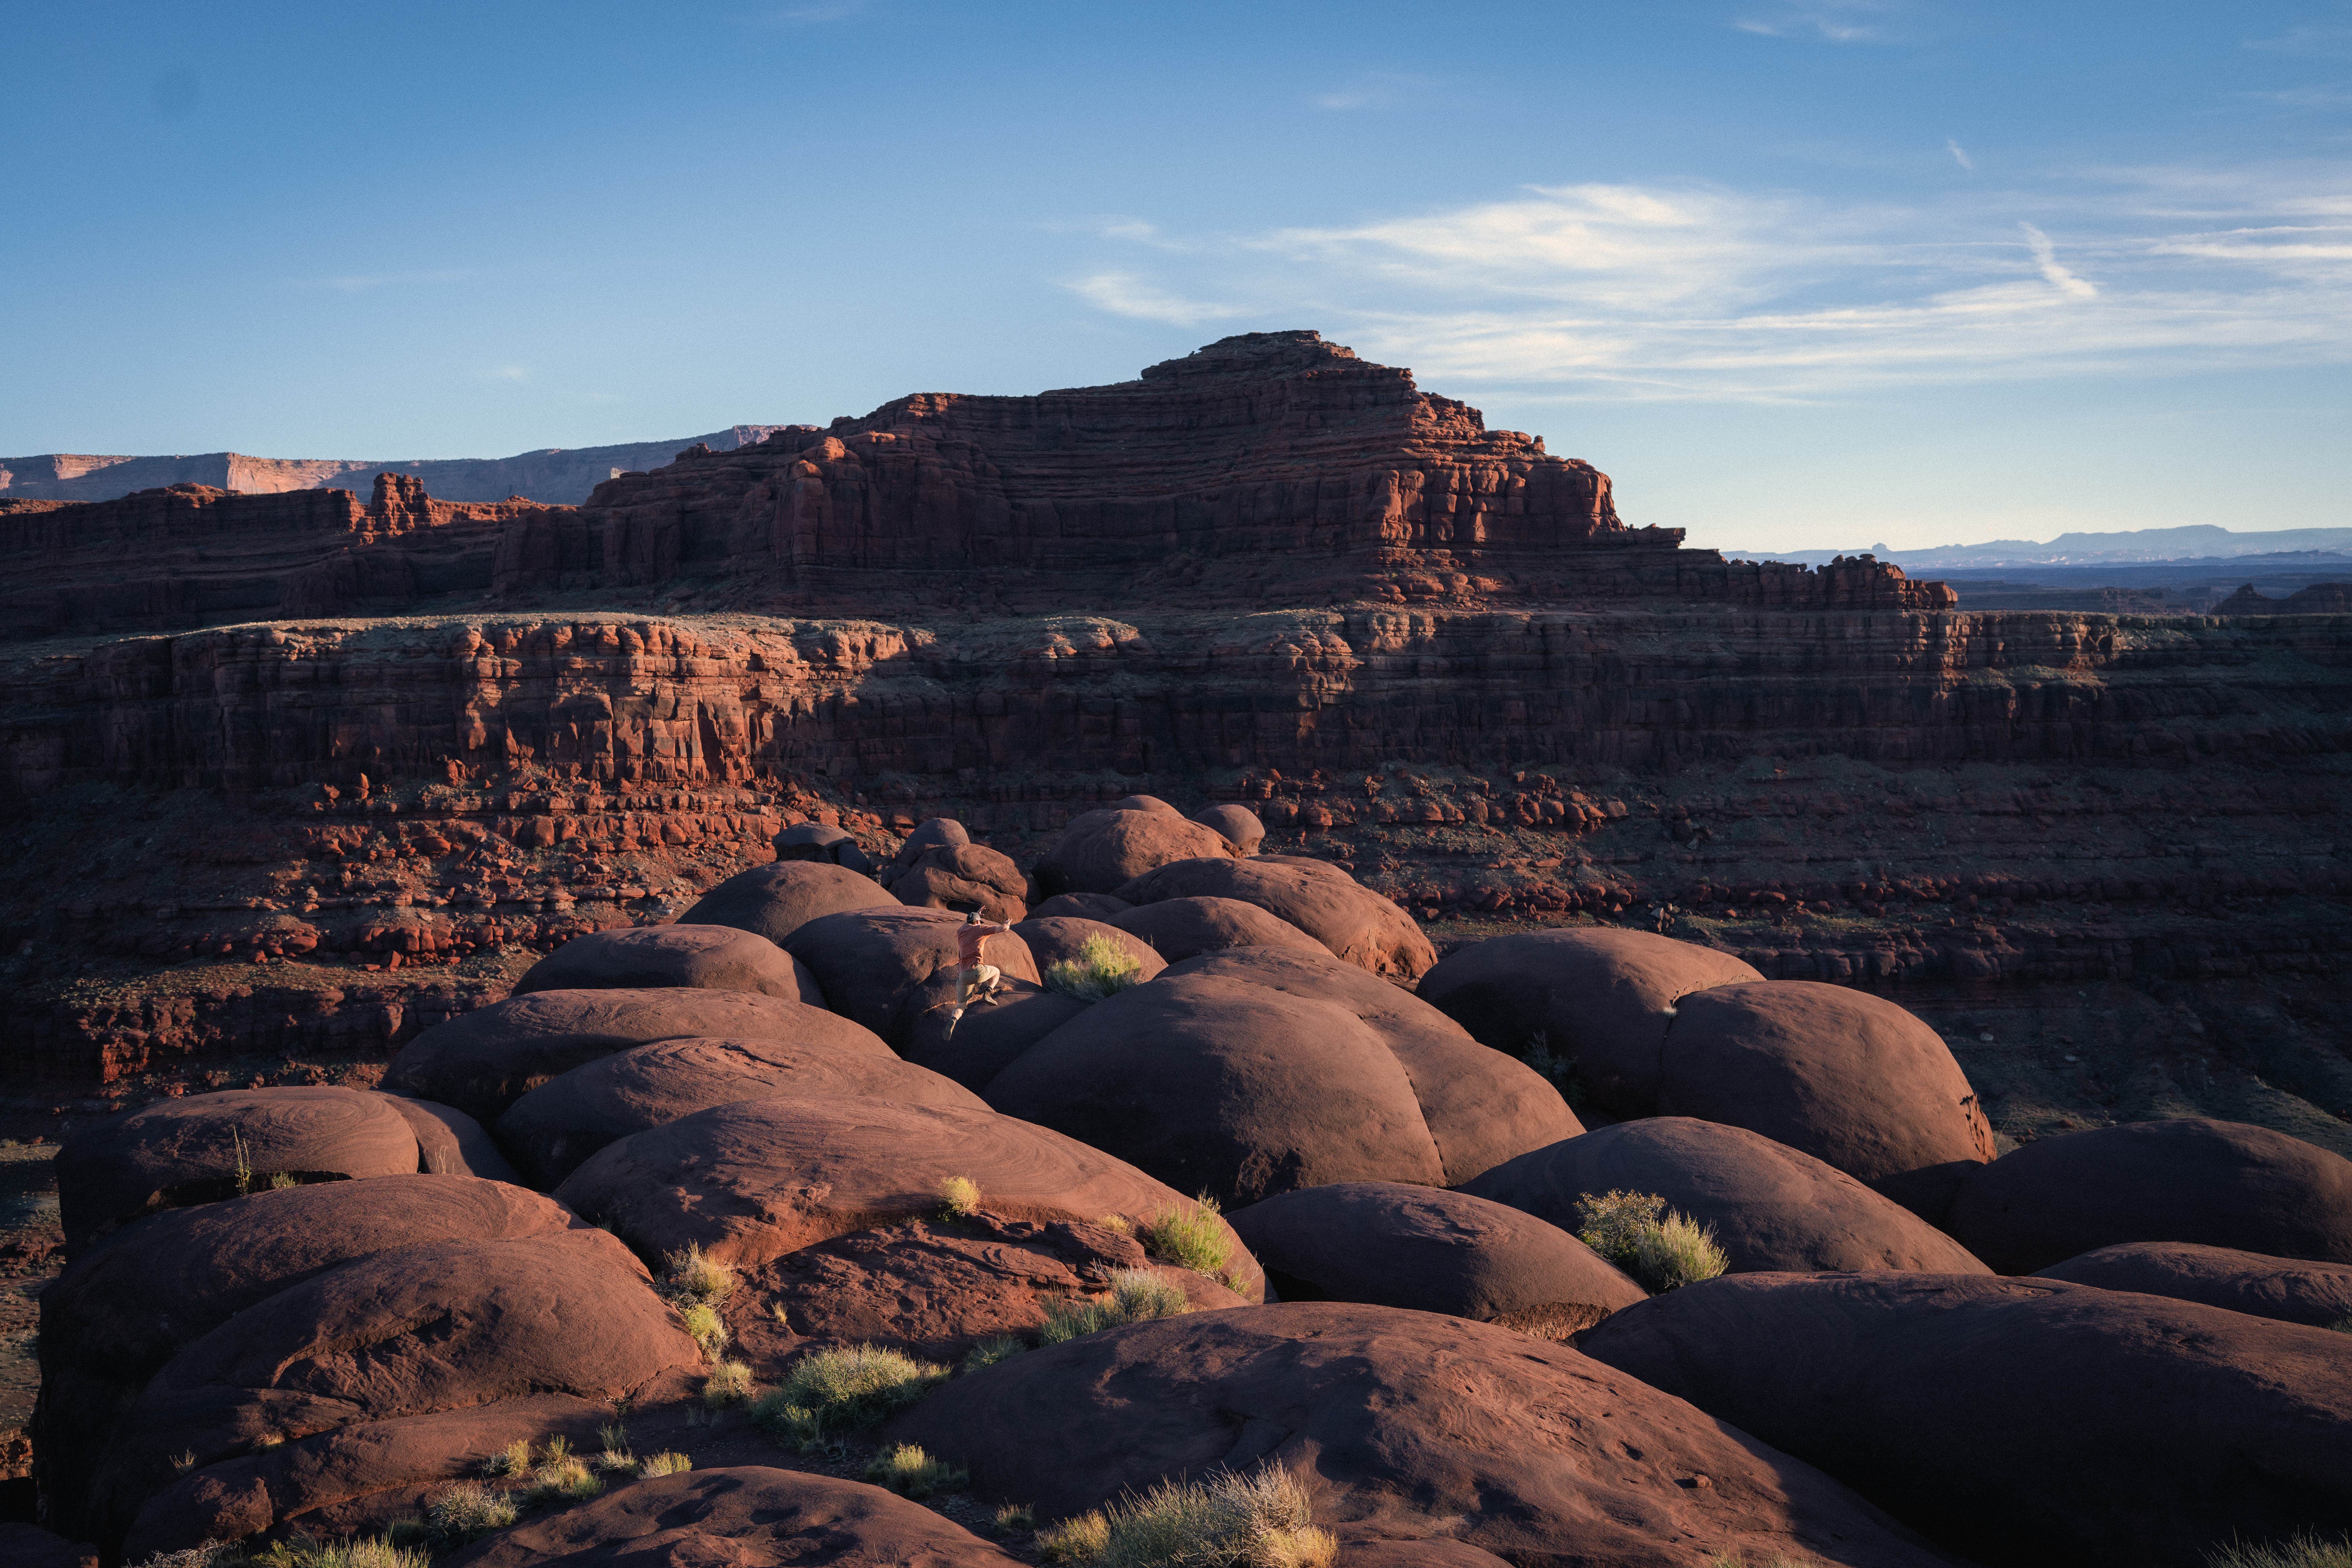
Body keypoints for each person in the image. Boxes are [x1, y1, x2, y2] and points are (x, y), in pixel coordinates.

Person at [947, 910, 1011, 1035]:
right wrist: (1007, 924)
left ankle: (953, 1019)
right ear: (977, 922)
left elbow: (967, 924)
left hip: (963, 975)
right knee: (996, 972)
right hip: (977, 970)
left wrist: (975, 915)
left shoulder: (960, 931)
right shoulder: (980, 929)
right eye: (979, 922)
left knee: (961, 1006)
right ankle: (988, 993)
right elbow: (1003, 929)